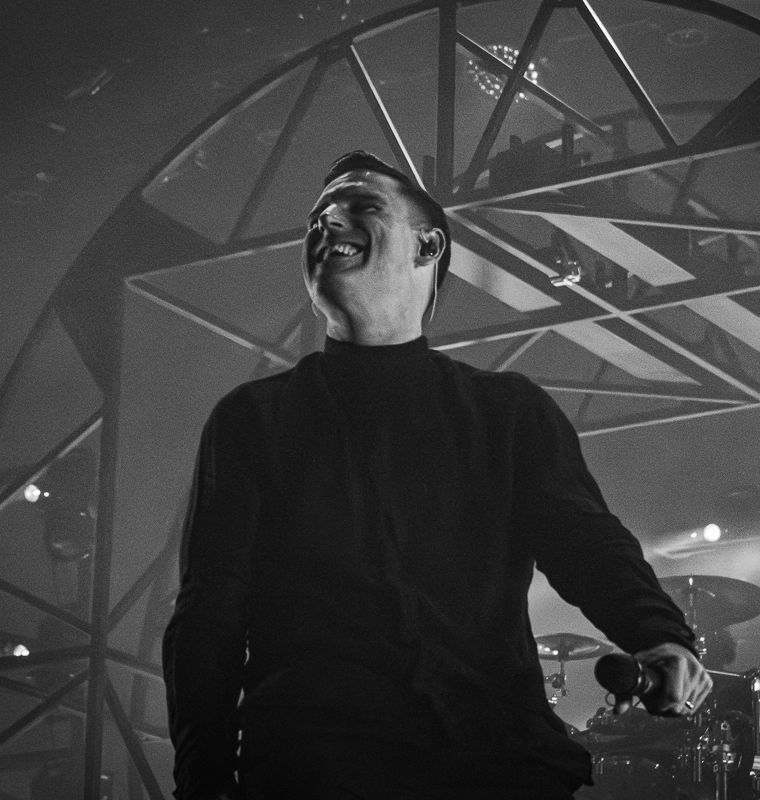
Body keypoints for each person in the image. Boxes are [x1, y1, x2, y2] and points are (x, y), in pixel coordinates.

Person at [162, 151, 711, 799]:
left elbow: (586, 545)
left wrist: (660, 637)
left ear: (429, 246)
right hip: (315, 767)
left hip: (493, 761)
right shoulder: (255, 421)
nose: (328, 222)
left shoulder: (506, 412)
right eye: (316, 218)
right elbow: (209, 620)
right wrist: (203, 778)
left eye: (361, 206)